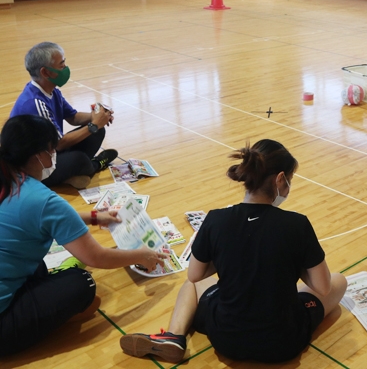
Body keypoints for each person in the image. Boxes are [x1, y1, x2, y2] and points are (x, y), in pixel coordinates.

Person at [120, 139, 347, 364]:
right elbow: (323, 286)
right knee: (339, 281)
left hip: (226, 337)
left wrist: (229, 257)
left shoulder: (216, 219)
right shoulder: (297, 224)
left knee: (191, 285)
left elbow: (195, 276)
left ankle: (175, 335)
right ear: (279, 179)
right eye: (289, 180)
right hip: (283, 342)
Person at [0, 115, 165, 357]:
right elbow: (97, 257)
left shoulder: (8, 178)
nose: (54, 155)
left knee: (39, 267)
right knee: (82, 283)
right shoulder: (42, 198)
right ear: (39, 155)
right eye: (52, 149)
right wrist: (141, 255)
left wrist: (95, 217)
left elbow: (42, 218)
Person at [10, 41, 119, 189]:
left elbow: (73, 117)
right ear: (45, 72)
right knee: (80, 159)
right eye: (61, 65)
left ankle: (71, 174)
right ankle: (94, 165)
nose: (65, 68)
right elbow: (59, 144)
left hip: (49, 153)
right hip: (32, 168)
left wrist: (97, 117)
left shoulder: (51, 90)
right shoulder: (35, 103)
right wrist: (93, 125)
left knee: (97, 131)